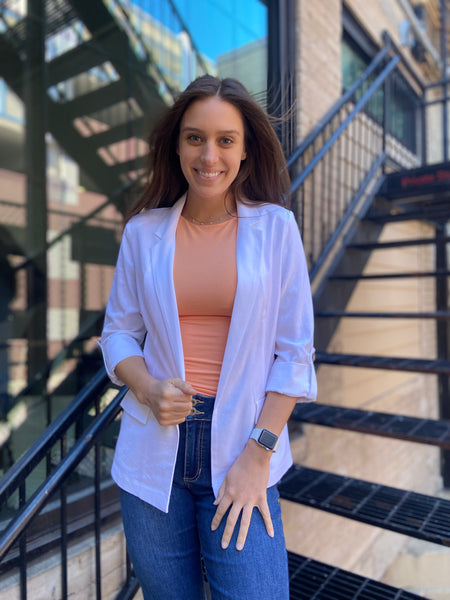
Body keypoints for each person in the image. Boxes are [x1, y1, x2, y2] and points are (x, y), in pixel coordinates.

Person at [100, 74, 317, 600]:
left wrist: (258, 455)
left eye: (225, 140)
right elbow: (118, 334)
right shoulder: (143, 233)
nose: (208, 156)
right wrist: (149, 389)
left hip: (244, 444)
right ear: (176, 145)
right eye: (195, 137)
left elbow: (294, 354)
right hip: (155, 445)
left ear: (245, 152)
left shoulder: (276, 229)